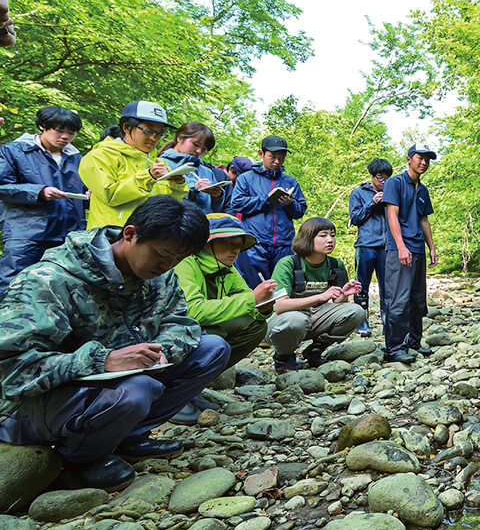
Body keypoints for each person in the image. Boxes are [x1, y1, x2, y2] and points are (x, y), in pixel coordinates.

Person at [0, 196, 229, 491]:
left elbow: (180, 322)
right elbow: (13, 372)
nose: (168, 265)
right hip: (26, 408)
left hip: (111, 389)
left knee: (212, 349)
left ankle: (128, 436)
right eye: (162, 254)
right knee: (138, 389)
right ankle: (78, 459)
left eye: (178, 259)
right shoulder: (48, 281)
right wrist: (102, 360)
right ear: (130, 234)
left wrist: (162, 351)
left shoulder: (161, 277)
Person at [172, 213, 276, 422]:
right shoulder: (185, 263)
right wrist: (252, 300)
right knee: (215, 341)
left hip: (199, 331)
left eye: (238, 244)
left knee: (255, 325)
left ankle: (192, 388)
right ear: (206, 244)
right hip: (172, 334)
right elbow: (190, 311)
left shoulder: (226, 267)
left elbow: (248, 302)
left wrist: (264, 307)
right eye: (227, 243)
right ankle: (172, 395)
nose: (235, 249)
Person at [0, 107, 86, 296]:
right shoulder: (13, 151)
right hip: (26, 232)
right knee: (13, 284)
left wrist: (89, 195)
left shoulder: (76, 158)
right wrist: (39, 192)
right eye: (59, 130)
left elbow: (82, 192)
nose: (65, 137)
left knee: (58, 288)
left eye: (71, 133)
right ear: (42, 127)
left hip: (67, 234)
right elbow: (3, 186)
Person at [266, 217, 365, 373]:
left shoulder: (335, 265)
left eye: (333, 235)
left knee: (356, 311)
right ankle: (284, 358)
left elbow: (337, 302)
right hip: (285, 321)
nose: (330, 240)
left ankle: (314, 351)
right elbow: (279, 306)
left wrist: (343, 295)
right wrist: (320, 297)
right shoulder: (288, 264)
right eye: (323, 235)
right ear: (307, 238)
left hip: (315, 317)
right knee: (295, 320)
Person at [80, 101, 188, 228]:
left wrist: (177, 184)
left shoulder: (158, 163)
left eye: (160, 134)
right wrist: (148, 177)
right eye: (148, 131)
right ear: (126, 128)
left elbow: (169, 201)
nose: (154, 138)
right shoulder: (99, 156)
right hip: (110, 237)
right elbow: (110, 195)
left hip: (148, 236)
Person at [382, 144, 439, 364]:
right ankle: (394, 348)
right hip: (399, 249)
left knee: (417, 299)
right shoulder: (395, 183)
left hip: (418, 249)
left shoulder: (423, 190)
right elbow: (392, 216)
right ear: (408, 159)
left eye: (427, 159)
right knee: (398, 299)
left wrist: (431, 247)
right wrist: (401, 245)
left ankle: (414, 342)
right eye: (419, 158)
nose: (423, 162)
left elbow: (424, 220)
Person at [227, 136, 307, 287]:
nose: (277, 161)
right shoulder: (246, 179)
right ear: (261, 154)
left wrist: (290, 204)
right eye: (273, 157)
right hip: (255, 244)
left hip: (284, 244)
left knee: (282, 288)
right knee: (254, 288)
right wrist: (266, 199)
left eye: (281, 158)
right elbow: (237, 204)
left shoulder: (290, 181)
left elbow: (300, 211)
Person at [349, 158, 393, 339]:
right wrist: (372, 203)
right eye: (380, 178)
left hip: (387, 247)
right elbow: (355, 218)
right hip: (365, 245)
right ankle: (362, 321)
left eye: (386, 178)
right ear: (371, 175)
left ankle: (387, 321)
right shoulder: (358, 193)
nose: (383, 182)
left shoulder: (392, 192)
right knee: (361, 286)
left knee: (387, 287)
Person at [158, 122, 227, 214]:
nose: (199, 151)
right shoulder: (161, 164)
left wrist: (218, 196)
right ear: (179, 138)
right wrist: (194, 191)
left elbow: (215, 210)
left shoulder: (207, 172)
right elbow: (160, 202)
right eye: (195, 144)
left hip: (205, 225)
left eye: (204, 149)